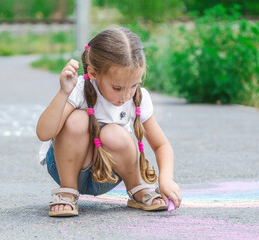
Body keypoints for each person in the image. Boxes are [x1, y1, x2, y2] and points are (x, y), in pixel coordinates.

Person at [36, 27, 182, 217]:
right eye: (117, 87)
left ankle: (138, 188)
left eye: (134, 85)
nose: (126, 96)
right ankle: (67, 191)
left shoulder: (137, 98)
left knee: (113, 133)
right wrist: (64, 92)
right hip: (67, 168)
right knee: (78, 120)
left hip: (108, 175)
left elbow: (162, 145)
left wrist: (166, 180)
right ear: (94, 73)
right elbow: (44, 133)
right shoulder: (79, 88)